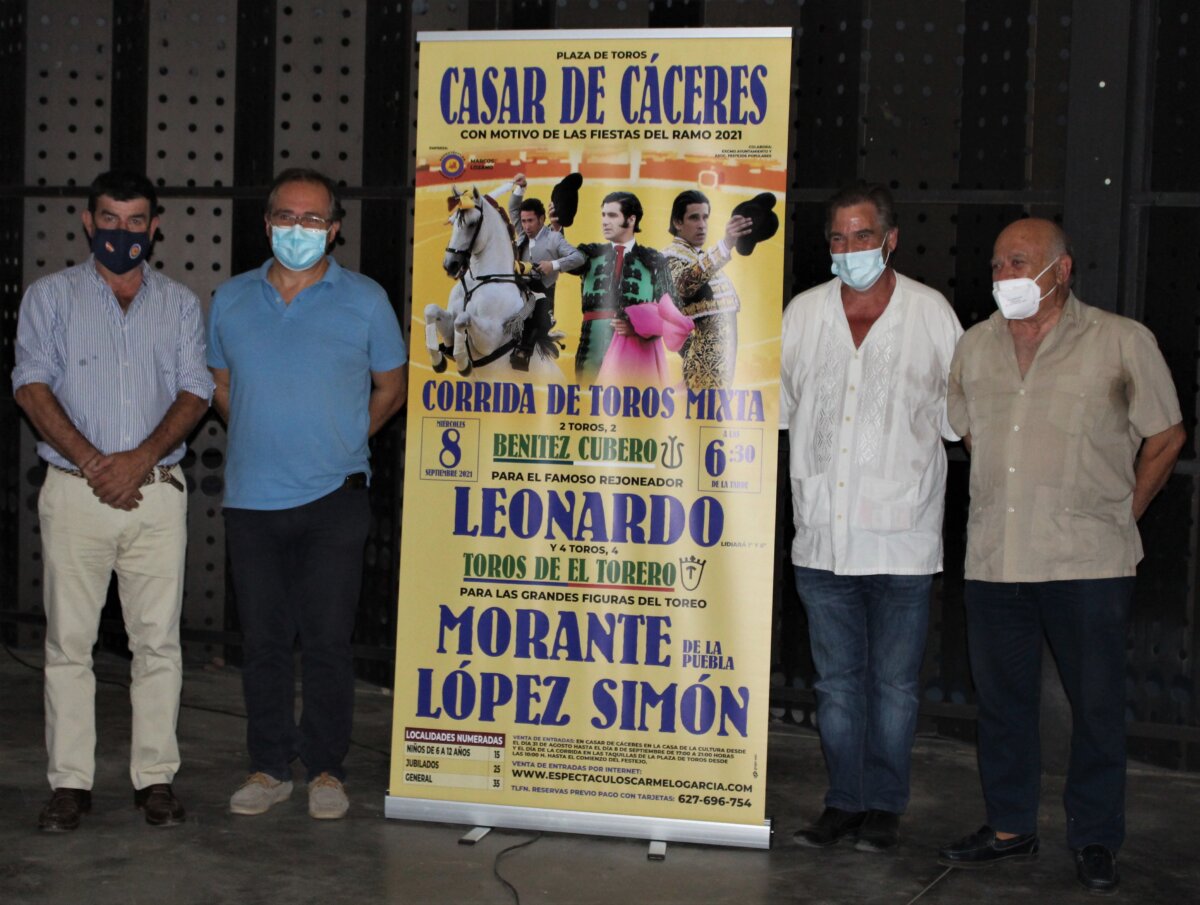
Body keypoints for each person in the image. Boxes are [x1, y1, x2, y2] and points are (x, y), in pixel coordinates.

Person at [938, 218, 1184, 894]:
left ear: (1062, 270)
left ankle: (1097, 835)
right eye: (996, 265)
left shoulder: (1121, 340)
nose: (1004, 275)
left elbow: (1165, 435)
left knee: (1096, 706)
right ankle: (1011, 826)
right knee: (1003, 704)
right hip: (996, 559)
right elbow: (962, 428)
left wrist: (1119, 515)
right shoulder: (974, 346)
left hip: (1088, 563)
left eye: (1019, 262)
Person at [12, 170, 213, 832]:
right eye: (109, 217)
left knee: (159, 643)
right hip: (75, 494)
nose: (121, 231)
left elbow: (194, 391)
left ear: (154, 226)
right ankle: (70, 783)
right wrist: (96, 462)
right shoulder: (50, 297)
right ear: (86, 220)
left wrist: (136, 461)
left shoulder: (180, 304)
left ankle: (154, 778)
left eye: (135, 221)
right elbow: (31, 385)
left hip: (155, 496)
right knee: (69, 644)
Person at [207, 168, 408, 820]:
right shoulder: (231, 299)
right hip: (252, 500)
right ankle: (268, 767)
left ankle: (326, 767)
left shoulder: (366, 299)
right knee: (263, 642)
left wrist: (344, 436)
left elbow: (392, 387)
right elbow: (222, 385)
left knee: (326, 641)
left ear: (335, 228)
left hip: (334, 500)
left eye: (314, 219)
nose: (299, 229)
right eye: (287, 217)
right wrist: (267, 433)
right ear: (266, 224)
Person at [780, 182, 963, 852]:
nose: (850, 249)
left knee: (892, 687)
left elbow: (957, 417)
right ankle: (844, 801)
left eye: (863, 236)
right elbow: (777, 410)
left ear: (889, 240)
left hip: (903, 539)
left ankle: (884, 803)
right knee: (836, 686)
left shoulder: (931, 314)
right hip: (822, 540)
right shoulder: (801, 315)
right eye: (838, 238)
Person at [566, 191, 683, 384]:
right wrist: (555, 228)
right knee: (587, 406)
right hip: (591, 351)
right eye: (603, 215)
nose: (604, 221)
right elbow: (560, 261)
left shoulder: (654, 261)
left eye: (612, 215)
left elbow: (672, 314)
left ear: (631, 219)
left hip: (634, 355)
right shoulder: (589, 255)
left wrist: (639, 327)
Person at [663, 190, 752, 389]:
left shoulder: (699, 257)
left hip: (719, 360)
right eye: (694, 218)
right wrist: (726, 244)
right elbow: (684, 285)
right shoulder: (670, 257)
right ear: (678, 222)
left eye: (705, 217)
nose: (702, 224)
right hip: (702, 360)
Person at [506, 173, 584, 370]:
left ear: (541, 219)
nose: (526, 225)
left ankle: (524, 352)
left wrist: (553, 265)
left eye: (530, 221)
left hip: (541, 292)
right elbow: (513, 209)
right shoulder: (523, 232)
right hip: (515, 286)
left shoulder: (553, 238)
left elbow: (578, 258)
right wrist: (520, 188)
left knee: (538, 317)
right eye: (523, 221)